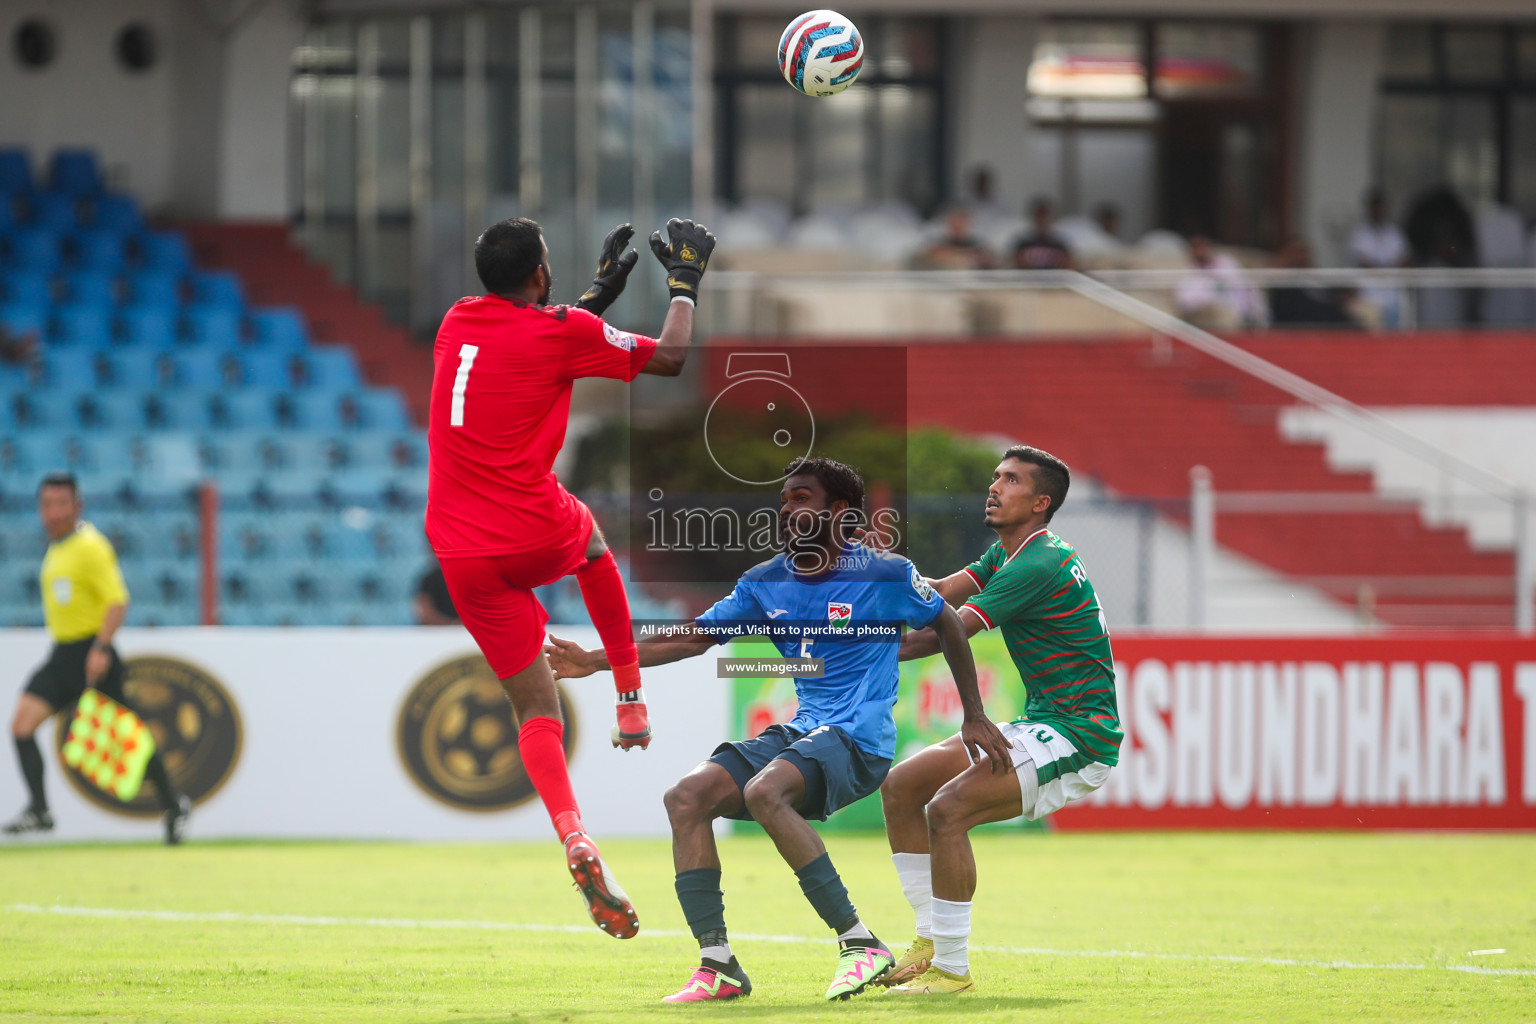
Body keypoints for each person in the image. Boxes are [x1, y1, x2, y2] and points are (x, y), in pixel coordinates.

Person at [546, 457, 1009, 1003]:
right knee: (686, 797)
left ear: (838, 511)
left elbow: (948, 622)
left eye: (801, 498)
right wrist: (602, 662)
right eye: (784, 499)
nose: (786, 510)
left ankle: (858, 943)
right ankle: (717, 965)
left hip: (859, 740)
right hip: (805, 729)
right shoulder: (765, 583)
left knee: (766, 791)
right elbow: (695, 638)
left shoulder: (884, 573)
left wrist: (973, 713)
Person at [425, 215, 714, 940]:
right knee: (591, 546)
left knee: (534, 708)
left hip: (457, 547)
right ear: (539, 275)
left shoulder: (457, 322)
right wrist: (684, 282)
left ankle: (573, 835)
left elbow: (535, 341)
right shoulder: (560, 330)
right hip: (526, 524)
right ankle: (628, 700)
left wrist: (595, 298)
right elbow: (672, 359)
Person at [877, 446, 1121, 995]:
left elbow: (946, 630)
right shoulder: (1009, 553)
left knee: (948, 809)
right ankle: (929, 943)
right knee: (902, 785)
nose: (994, 486)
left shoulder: (1037, 564)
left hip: (1080, 735)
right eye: (995, 477)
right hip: (1044, 720)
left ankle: (952, 970)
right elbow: (938, 595)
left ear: (1040, 502)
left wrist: (855, 647)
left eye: (1010, 480)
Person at [5, 473, 191, 843]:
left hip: (91, 653)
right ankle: (40, 810)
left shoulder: (90, 546)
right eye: (47, 504)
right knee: (21, 726)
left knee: (128, 740)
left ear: (78, 507)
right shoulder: (58, 547)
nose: (53, 512)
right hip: (62, 654)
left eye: (61, 503)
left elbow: (117, 601)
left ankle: (174, 805)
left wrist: (101, 648)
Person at [1175, 235, 1266, 331]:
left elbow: (1243, 285)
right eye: (1196, 247)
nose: (1200, 250)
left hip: (1238, 308)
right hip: (1206, 312)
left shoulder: (1227, 262)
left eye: (1202, 246)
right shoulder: (1188, 271)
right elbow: (1185, 300)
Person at [1349, 188, 1408, 328]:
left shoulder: (1394, 233)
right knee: (1373, 339)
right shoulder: (1360, 233)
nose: (1378, 212)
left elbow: (1405, 259)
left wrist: (1384, 268)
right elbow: (1364, 263)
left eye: (1381, 208)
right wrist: (1389, 268)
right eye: (1375, 208)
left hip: (1392, 296)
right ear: (1369, 209)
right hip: (1369, 296)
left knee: (1393, 339)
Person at [916, 208, 995, 271]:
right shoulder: (940, 242)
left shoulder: (976, 243)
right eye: (954, 224)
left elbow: (985, 257)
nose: (957, 228)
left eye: (961, 224)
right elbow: (933, 254)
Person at [1010, 197, 1073, 270]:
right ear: (1034, 217)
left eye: (1045, 216)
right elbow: (1017, 263)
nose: (1042, 220)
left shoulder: (1059, 244)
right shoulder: (1023, 244)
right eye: (1039, 216)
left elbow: (1067, 265)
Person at [413, 559, 459, 625]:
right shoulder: (428, 580)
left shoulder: (466, 578)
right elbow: (425, 613)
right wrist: (450, 625)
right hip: (435, 631)